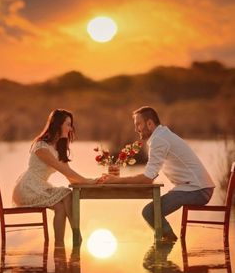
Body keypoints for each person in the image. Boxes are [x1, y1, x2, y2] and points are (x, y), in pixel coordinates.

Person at [101, 106, 215, 242]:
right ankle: (164, 245)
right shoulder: (161, 136)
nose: (136, 129)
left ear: (149, 124)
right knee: (151, 212)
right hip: (196, 188)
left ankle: (167, 246)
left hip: (197, 190)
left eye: (138, 124)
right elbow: (150, 175)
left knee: (149, 212)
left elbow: (148, 178)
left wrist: (116, 181)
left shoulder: (159, 140)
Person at [13, 109, 96, 247]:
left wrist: (90, 182)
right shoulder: (41, 146)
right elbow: (63, 170)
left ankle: (59, 246)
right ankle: (77, 236)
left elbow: (69, 175)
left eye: (71, 125)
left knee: (61, 207)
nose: (70, 129)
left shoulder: (59, 148)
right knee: (66, 193)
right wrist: (87, 181)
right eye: (68, 124)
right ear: (58, 124)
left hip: (41, 187)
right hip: (27, 188)